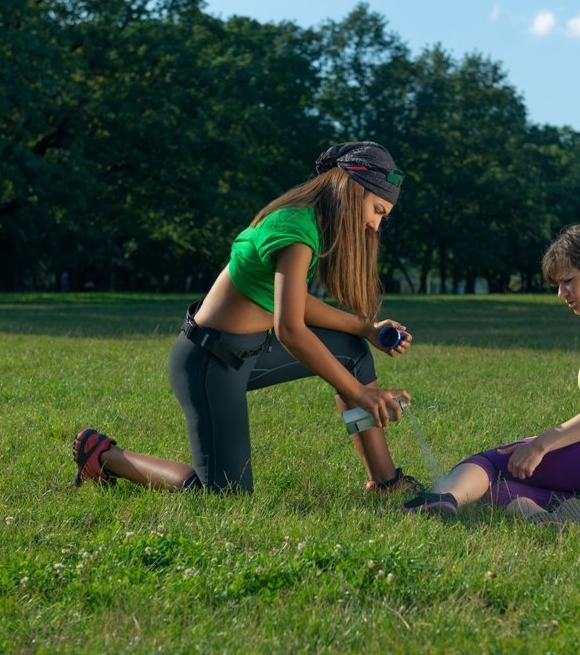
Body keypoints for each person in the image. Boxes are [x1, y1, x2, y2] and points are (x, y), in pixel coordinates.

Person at [72, 141, 422, 495]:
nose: (376, 226)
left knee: (352, 351)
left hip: (250, 353)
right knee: (226, 495)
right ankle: (104, 456)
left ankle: (385, 482)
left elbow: (292, 302)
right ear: (353, 190)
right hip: (208, 363)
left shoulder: (311, 224)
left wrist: (366, 328)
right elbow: (290, 330)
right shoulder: (297, 227)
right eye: (376, 209)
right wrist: (360, 393)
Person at [404, 223, 580, 523]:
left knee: (491, 462)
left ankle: (439, 500)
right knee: (493, 489)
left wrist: (542, 443)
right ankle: (547, 514)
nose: (560, 293)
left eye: (568, 281)